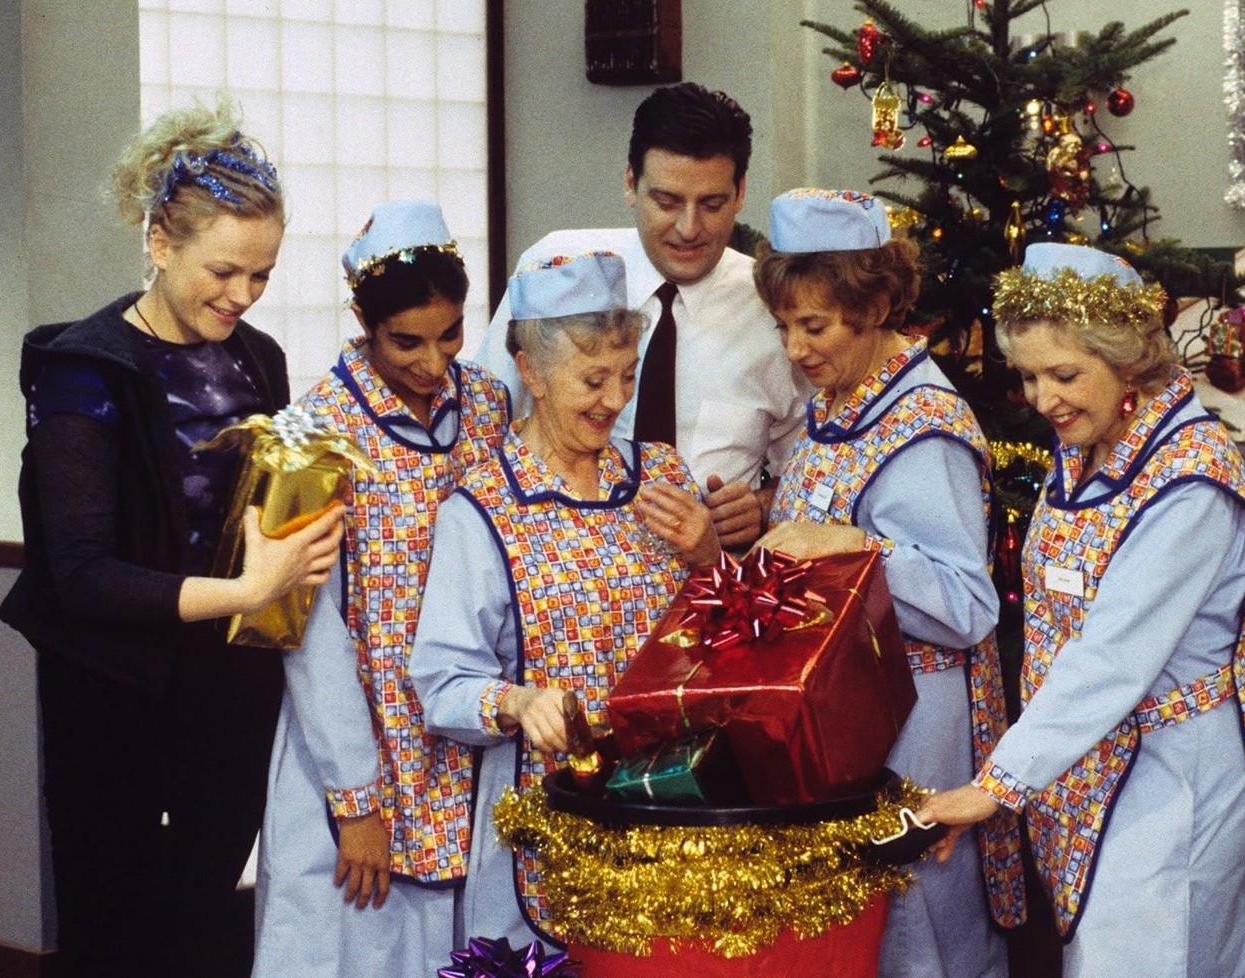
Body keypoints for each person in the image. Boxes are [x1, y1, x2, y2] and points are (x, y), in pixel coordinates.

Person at [0, 101, 344, 978]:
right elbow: (80, 576)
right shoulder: (85, 369)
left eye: (260, 275)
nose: (241, 295)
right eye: (224, 271)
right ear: (159, 241)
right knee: (114, 925)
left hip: (227, 680)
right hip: (112, 687)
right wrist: (246, 592)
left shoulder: (255, 356)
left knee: (201, 916)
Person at [916, 244, 1245, 978]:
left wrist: (995, 785)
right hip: (1086, 762)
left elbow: (1113, 657)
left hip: (1173, 775)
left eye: (1064, 374)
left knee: (1152, 954)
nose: (1042, 398)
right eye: (1028, 376)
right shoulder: (1087, 447)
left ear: (1128, 364)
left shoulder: (1191, 480)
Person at [750, 189, 1023, 978]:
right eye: (786, 327)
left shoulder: (923, 424)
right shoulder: (838, 404)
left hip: (915, 724)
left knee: (920, 933)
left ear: (872, 308)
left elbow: (969, 605)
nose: (797, 347)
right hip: (848, 721)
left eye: (815, 326)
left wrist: (850, 546)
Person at [412, 251, 721, 946]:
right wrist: (518, 702)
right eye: (593, 379)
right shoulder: (484, 508)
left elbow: (730, 637)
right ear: (531, 372)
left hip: (671, 815)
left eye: (627, 376)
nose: (615, 400)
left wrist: (709, 557)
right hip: (540, 819)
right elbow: (442, 682)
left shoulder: (661, 476)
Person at [251, 201, 511, 976]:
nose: (435, 363)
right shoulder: (306, 434)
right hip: (353, 736)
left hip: (466, 736)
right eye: (408, 341)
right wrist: (356, 798)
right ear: (363, 323)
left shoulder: (491, 406)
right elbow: (299, 625)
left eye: (451, 334)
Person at [475, 81, 811, 549]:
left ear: (740, 193)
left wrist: (763, 505)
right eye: (667, 202)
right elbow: (483, 423)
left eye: (712, 205)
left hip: (710, 584)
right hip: (559, 568)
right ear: (631, 183)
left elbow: (817, 468)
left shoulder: (773, 310)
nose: (689, 229)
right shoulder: (557, 270)